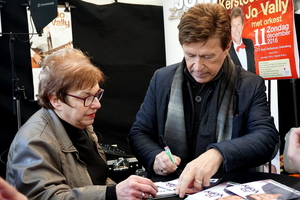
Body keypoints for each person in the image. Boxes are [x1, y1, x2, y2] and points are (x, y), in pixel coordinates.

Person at [128, 3, 279, 198]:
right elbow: (139, 132)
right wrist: (155, 157)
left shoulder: (249, 84)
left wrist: (219, 154)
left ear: (226, 48)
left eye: (207, 57)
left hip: (226, 192)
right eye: (190, 55)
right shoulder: (162, 79)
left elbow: (266, 138)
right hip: (171, 191)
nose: (197, 66)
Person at [6, 48, 158, 200]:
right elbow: (45, 197)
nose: (97, 104)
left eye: (97, 94)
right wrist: (113, 193)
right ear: (55, 100)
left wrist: (125, 191)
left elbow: (97, 180)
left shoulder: (81, 124)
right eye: (86, 97)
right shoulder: (33, 141)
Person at [229, 6, 256, 74]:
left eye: (238, 24)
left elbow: (253, 70)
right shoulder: (226, 50)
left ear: (242, 26)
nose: (236, 29)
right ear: (230, 28)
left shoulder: (249, 43)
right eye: (234, 26)